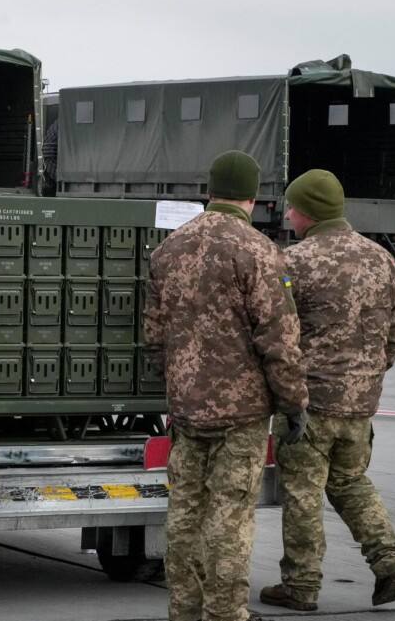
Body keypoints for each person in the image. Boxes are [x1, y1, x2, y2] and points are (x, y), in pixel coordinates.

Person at [143, 150, 309, 621]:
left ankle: (185, 609)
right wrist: (293, 403)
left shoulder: (170, 248)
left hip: (187, 409)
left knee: (185, 515)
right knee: (230, 517)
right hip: (243, 415)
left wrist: (180, 384)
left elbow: (154, 335)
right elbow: (279, 339)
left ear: (208, 191)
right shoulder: (260, 252)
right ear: (253, 197)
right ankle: (226, 613)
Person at [259, 169, 395, 612]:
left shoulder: (296, 262)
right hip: (360, 405)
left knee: (303, 492)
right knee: (351, 482)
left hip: (310, 403)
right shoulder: (381, 259)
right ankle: (388, 560)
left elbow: (279, 336)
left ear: (307, 211)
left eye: (291, 205)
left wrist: (286, 394)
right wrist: (366, 379)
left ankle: (301, 585)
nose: (287, 213)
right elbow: (394, 336)